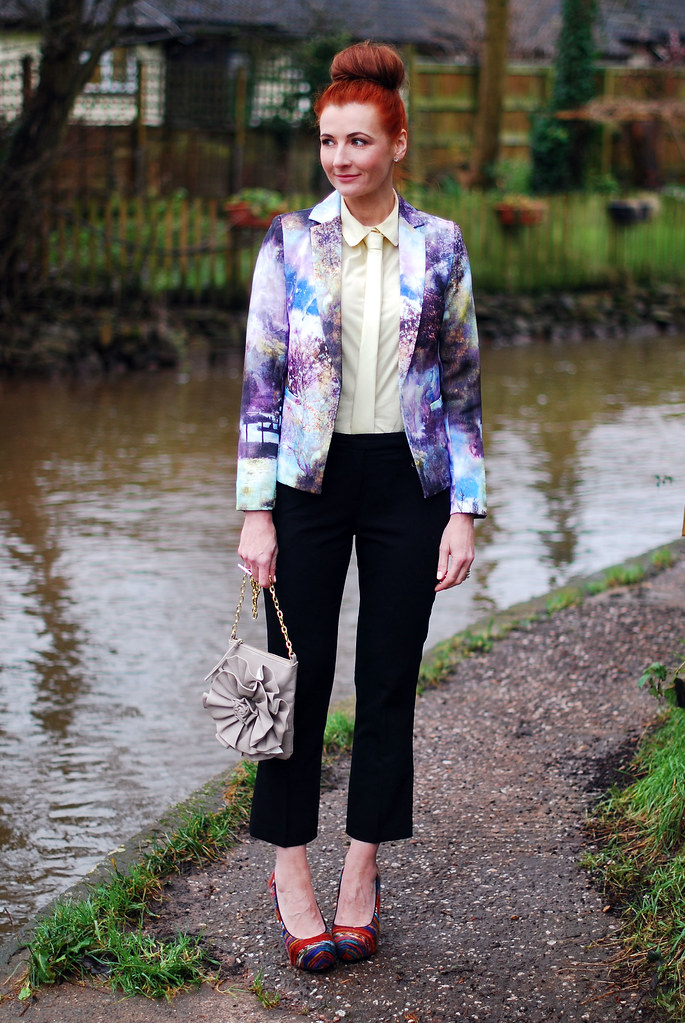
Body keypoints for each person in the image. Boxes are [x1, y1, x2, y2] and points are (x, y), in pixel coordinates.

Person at [236, 40, 486, 972]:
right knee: (289, 681)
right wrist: (254, 512)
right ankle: (290, 871)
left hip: (406, 487)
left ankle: (360, 872)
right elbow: (261, 388)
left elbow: (460, 389)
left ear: (397, 144)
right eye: (328, 142)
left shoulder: (442, 245)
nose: (341, 158)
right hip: (305, 485)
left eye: (358, 141)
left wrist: (464, 510)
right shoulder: (290, 241)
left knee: (386, 681)